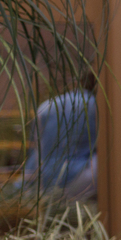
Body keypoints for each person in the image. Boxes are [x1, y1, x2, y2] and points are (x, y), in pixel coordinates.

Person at [20, 72, 98, 201]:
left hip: (44, 181)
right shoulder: (95, 105)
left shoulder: (46, 106)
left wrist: (24, 185)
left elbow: (36, 149)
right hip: (79, 181)